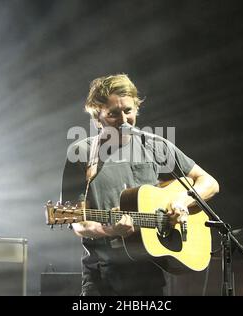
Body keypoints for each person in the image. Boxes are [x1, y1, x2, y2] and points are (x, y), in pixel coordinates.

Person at [61, 74, 219, 296]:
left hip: (150, 275)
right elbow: (77, 222)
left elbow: (209, 182)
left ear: (136, 109)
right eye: (113, 114)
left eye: (128, 111)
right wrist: (109, 229)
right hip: (102, 279)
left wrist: (181, 201)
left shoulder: (155, 145)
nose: (124, 121)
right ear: (98, 118)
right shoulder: (82, 154)